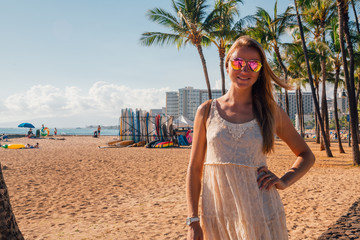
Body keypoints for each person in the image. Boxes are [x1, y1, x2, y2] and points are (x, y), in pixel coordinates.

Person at [186, 36, 315, 240]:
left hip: (260, 213)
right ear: (227, 65)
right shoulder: (207, 111)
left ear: (260, 71)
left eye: (253, 65)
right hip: (217, 215)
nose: (244, 70)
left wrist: (284, 181)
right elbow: (194, 169)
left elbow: (306, 154)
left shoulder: (271, 112)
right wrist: (192, 220)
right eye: (238, 63)